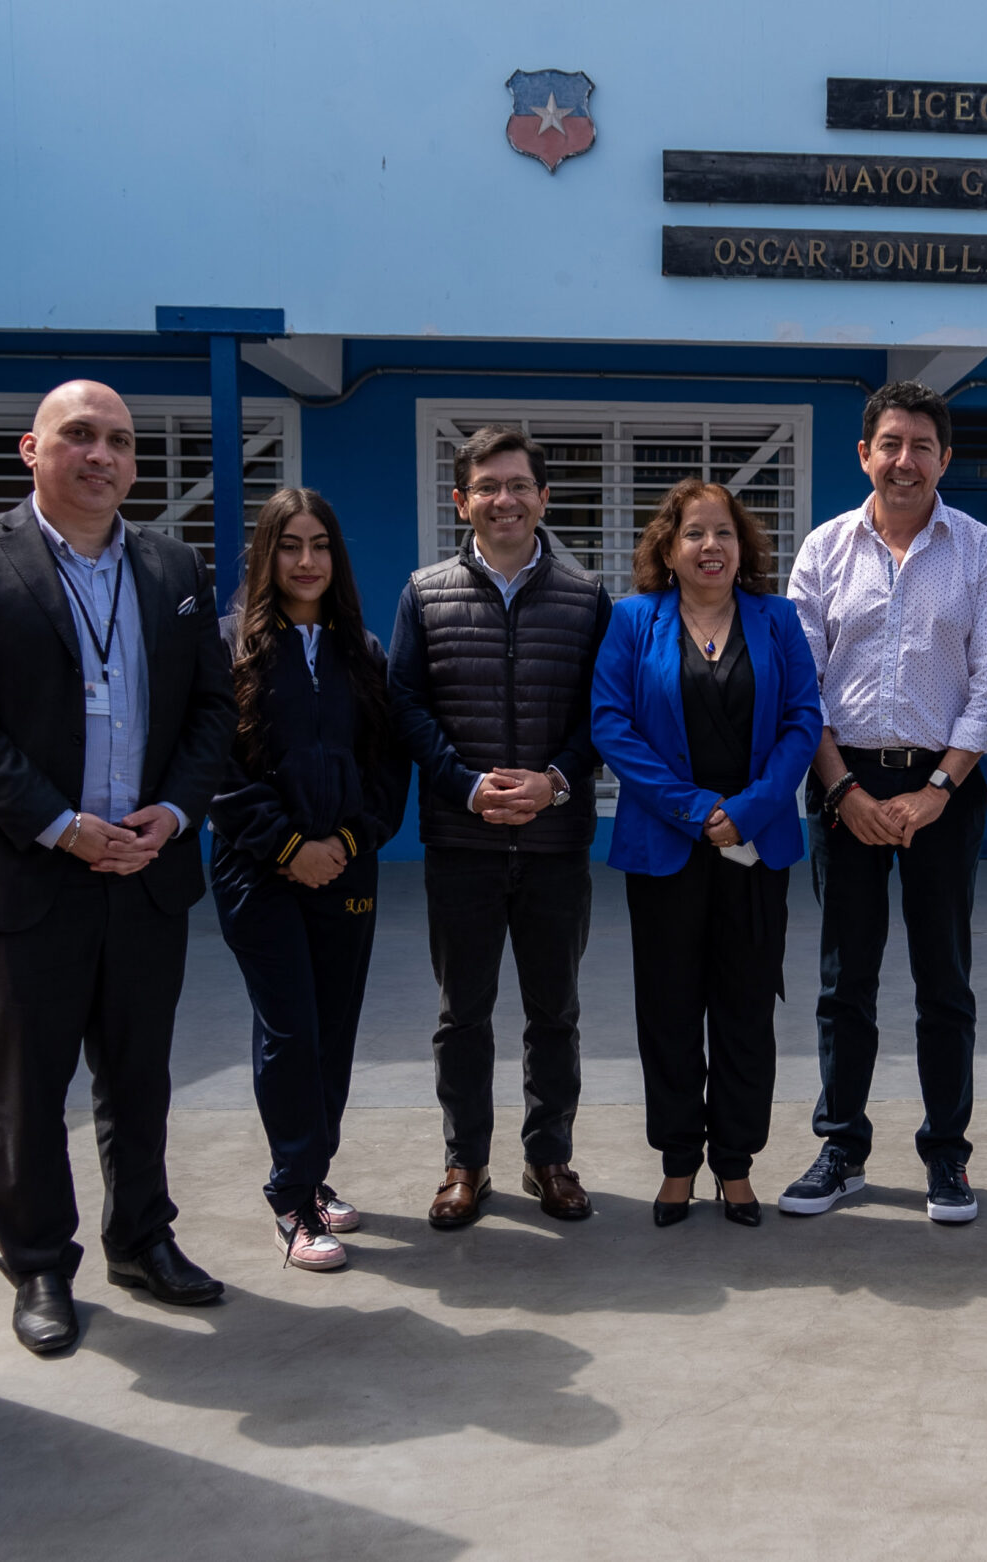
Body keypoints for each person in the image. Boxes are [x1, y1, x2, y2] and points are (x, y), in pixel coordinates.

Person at [0, 380, 235, 1356]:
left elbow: (212, 711)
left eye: (121, 441)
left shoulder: (172, 564)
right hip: (23, 872)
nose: (102, 454)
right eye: (80, 435)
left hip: (144, 868)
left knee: (138, 1077)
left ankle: (142, 1237)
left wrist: (171, 815)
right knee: (28, 1088)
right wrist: (64, 826)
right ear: (32, 448)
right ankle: (40, 1264)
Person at [782, 381, 987, 1223]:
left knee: (943, 978)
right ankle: (841, 1147)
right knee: (845, 979)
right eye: (890, 443)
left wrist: (936, 790)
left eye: (922, 445)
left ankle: (947, 1157)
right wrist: (841, 788)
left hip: (943, 788)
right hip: (842, 784)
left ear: (944, 459)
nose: (905, 460)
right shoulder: (823, 549)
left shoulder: (979, 550)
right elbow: (800, 689)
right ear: (864, 455)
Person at [390, 426, 612, 1229]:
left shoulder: (588, 597)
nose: (504, 499)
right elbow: (405, 704)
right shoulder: (425, 592)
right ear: (463, 501)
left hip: (556, 843)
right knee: (464, 1014)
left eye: (519, 485)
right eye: (487, 486)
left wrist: (554, 781)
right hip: (463, 843)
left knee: (555, 1011)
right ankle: (466, 1162)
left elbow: (604, 714)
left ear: (544, 498)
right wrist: (464, 783)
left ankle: (549, 1157)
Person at [591, 480, 823, 1227]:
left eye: (723, 532)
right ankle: (678, 1161)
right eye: (693, 533)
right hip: (666, 843)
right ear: (668, 547)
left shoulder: (778, 619)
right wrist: (698, 812)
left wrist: (750, 809)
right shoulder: (631, 622)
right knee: (667, 1008)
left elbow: (803, 719)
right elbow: (611, 725)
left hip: (756, 844)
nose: (710, 546)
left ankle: (735, 1163)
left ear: (743, 544)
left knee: (745, 1008)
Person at [210, 489, 410, 1271]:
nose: (305, 561)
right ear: (266, 555)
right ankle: (290, 1199)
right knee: (290, 1030)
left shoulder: (362, 651)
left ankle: (313, 1176)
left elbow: (387, 769)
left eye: (320, 545)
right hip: (259, 872)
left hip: (346, 868)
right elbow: (219, 774)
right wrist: (289, 844)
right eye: (288, 545)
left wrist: (350, 840)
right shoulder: (228, 646)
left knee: (332, 1030)